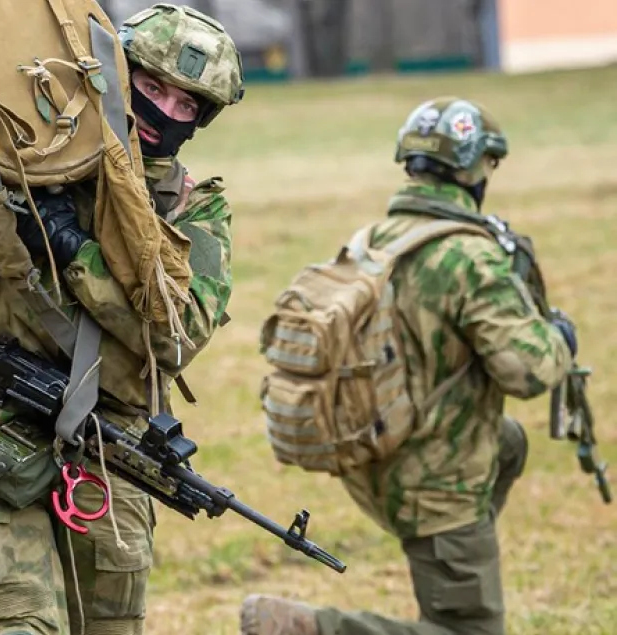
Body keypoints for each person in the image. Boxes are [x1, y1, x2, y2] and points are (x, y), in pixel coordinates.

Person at [0, 5, 244, 633]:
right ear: (117, 77)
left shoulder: (194, 213)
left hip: (111, 455)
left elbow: (176, 337)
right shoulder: (22, 160)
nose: (163, 115)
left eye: (186, 105)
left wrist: (74, 251)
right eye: (151, 89)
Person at [240, 97, 577, 635]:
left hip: (373, 453)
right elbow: (529, 371)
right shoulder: (468, 254)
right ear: (474, 169)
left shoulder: (376, 238)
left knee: (508, 442)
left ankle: (452, 569)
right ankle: (304, 627)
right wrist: (559, 338)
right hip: (432, 480)